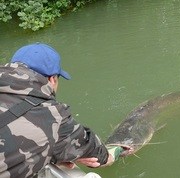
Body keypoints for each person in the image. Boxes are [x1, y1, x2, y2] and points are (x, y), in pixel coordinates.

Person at [0, 43, 123, 178]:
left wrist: (55, 153)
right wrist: (115, 152)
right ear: (52, 79)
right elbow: (100, 157)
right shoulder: (53, 116)